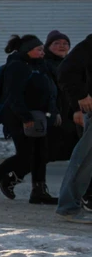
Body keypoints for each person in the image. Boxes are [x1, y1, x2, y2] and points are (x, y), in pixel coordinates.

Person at [0, 35, 60, 205]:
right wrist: (25, 117)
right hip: (19, 118)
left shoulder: (39, 65)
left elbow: (49, 92)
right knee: (26, 154)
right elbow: (13, 95)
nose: (42, 52)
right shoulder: (17, 66)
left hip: (39, 116)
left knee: (40, 154)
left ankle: (39, 191)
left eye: (42, 49)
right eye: (39, 49)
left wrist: (54, 111)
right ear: (27, 50)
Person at [57, 33, 92, 222]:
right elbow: (66, 70)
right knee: (85, 160)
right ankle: (68, 207)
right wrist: (80, 96)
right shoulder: (90, 45)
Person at [43, 30, 78, 163]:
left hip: (69, 115)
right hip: (53, 115)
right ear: (48, 47)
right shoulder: (44, 64)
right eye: (56, 43)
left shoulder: (70, 64)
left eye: (65, 43)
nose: (62, 46)